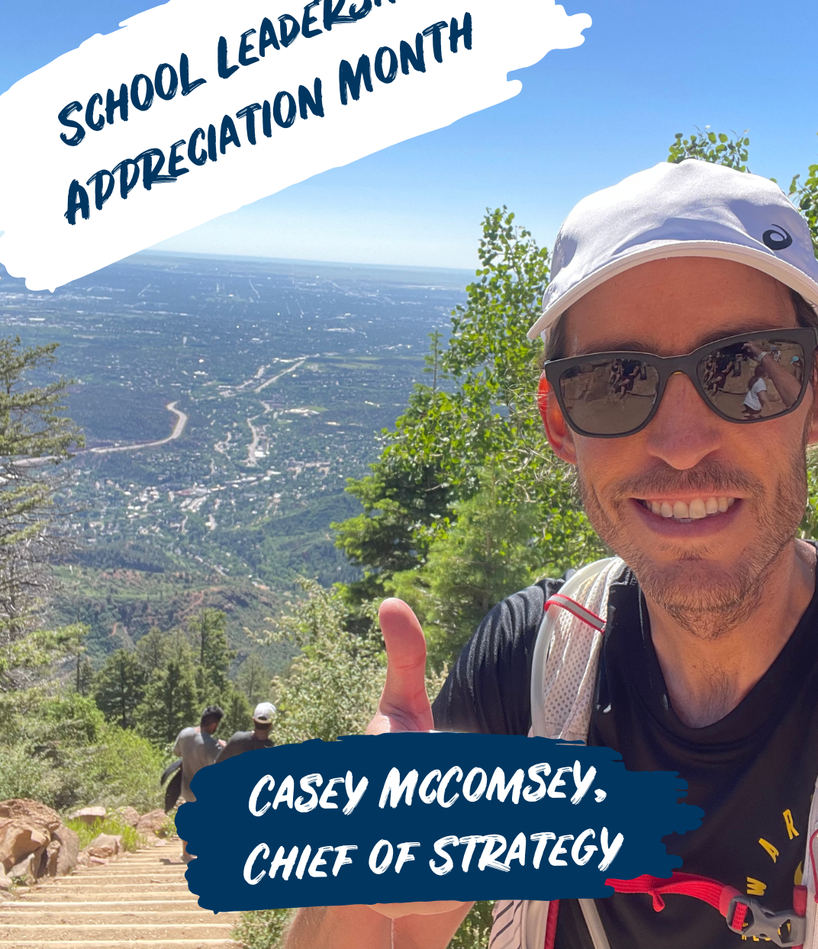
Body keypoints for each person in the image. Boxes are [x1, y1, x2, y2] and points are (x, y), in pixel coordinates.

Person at [285, 159, 818, 949]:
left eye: (743, 370)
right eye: (614, 380)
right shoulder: (531, 665)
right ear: (560, 425)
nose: (680, 446)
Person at [173, 704, 225, 862]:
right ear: (214, 725)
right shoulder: (211, 744)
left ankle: (186, 854)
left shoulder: (184, 734)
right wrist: (224, 747)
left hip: (187, 787)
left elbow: (177, 751)